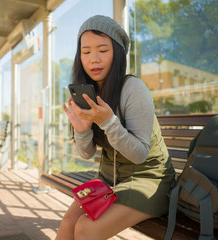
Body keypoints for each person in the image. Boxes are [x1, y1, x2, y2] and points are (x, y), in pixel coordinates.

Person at [57, 15, 175, 240]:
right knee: (68, 222)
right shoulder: (89, 92)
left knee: (86, 227)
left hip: (149, 179)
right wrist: (82, 130)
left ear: (118, 53)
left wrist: (107, 121)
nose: (94, 59)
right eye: (86, 51)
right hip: (109, 179)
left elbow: (140, 155)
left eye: (103, 50)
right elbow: (86, 153)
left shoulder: (133, 88)